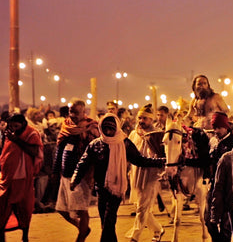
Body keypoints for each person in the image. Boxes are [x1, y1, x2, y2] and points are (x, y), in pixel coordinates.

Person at [70, 114, 165, 242]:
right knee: (106, 222)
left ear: (117, 128)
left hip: (117, 188)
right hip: (101, 189)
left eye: (111, 128)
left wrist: (160, 161)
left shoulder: (124, 143)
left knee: (109, 219)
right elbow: (83, 163)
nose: (108, 132)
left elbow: (139, 160)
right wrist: (75, 179)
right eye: (105, 128)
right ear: (100, 128)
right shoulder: (95, 145)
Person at [0, 114, 43, 242]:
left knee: (24, 208)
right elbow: (6, 153)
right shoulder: (8, 134)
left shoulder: (32, 134)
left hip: (24, 177)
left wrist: (17, 140)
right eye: (11, 126)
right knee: (2, 204)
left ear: (23, 124)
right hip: (7, 176)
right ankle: (0, 235)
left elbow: (35, 152)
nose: (14, 128)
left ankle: (25, 236)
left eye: (16, 126)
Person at [53, 99, 99, 242]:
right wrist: (55, 170)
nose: (72, 114)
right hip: (65, 174)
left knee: (81, 209)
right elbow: (59, 150)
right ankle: (83, 229)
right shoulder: (66, 127)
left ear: (83, 112)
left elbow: (95, 153)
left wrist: (91, 174)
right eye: (70, 111)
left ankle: (80, 238)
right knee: (61, 209)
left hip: (81, 176)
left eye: (76, 112)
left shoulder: (92, 128)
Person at [126, 104, 166, 242]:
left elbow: (163, 155)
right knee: (139, 205)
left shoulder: (157, 135)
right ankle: (158, 230)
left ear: (151, 120)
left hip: (151, 174)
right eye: (139, 118)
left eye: (145, 118)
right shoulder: (133, 134)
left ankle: (134, 237)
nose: (141, 121)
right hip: (135, 173)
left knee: (142, 207)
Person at [205, 112, 233, 242]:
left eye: (219, 127)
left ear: (226, 127)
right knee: (208, 219)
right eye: (214, 127)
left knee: (225, 226)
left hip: (229, 189)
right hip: (213, 186)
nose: (216, 131)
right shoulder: (212, 141)